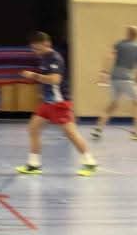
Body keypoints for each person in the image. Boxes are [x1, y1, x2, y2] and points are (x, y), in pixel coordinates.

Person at [16, 32, 97, 176]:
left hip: (59, 103)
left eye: (37, 48)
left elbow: (55, 79)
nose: (35, 52)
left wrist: (33, 75)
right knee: (33, 129)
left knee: (71, 133)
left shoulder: (55, 58)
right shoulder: (44, 58)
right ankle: (34, 165)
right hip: (47, 103)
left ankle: (90, 162)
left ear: (47, 44)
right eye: (33, 49)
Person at [91, 26, 137, 141]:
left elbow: (109, 57)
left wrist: (104, 72)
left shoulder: (119, 44)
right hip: (127, 79)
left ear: (127, 33)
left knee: (113, 104)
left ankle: (98, 128)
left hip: (114, 79)